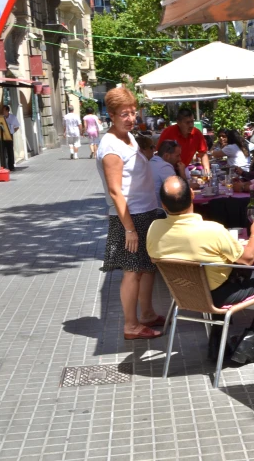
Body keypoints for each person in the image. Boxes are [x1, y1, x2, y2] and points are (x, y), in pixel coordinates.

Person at [147, 175, 254, 363]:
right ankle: (249, 340)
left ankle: (217, 343)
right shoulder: (211, 230)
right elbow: (247, 259)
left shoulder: (154, 229)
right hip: (217, 295)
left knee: (218, 276)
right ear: (191, 195)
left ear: (163, 205)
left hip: (184, 293)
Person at [97, 88, 164, 340]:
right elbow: (115, 191)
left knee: (146, 267)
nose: (130, 118)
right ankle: (131, 325)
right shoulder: (111, 146)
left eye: (133, 112)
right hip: (129, 216)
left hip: (144, 211)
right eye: (124, 114)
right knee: (132, 271)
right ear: (112, 115)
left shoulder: (128, 137)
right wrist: (129, 229)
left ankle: (146, 314)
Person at [156, 108, 210, 173]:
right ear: (178, 123)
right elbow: (158, 154)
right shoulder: (168, 132)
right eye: (187, 122)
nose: (191, 125)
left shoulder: (197, 133)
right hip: (167, 170)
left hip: (183, 168)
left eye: (192, 122)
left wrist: (207, 173)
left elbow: (203, 154)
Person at [149, 140, 183, 206]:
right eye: (177, 156)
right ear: (166, 156)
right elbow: (180, 191)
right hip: (160, 212)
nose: (180, 159)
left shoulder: (150, 162)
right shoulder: (164, 167)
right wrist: (182, 173)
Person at [1, 105, 19, 171]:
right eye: (2, 110)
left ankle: (11, 166)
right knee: (3, 150)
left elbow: (17, 127)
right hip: (2, 135)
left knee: (10, 151)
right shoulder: (2, 118)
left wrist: (12, 132)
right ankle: (4, 165)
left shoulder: (13, 117)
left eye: (4, 111)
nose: (3, 112)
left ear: (7, 111)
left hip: (10, 135)